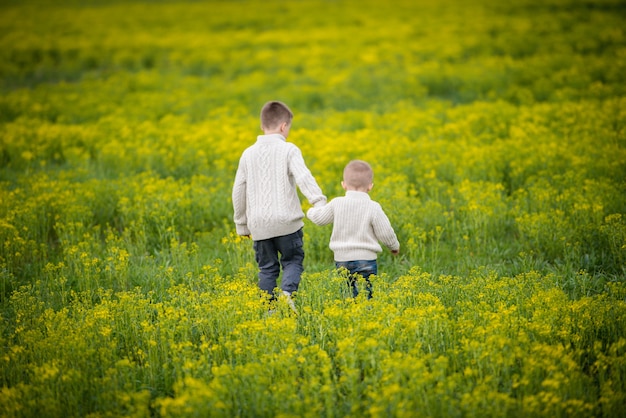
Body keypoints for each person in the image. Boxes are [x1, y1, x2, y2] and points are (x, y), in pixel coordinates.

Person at [232, 101, 326, 311]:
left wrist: (242, 224)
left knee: (267, 268)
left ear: (262, 126)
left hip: (259, 225)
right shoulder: (288, 149)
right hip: (287, 223)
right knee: (293, 260)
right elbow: (304, 177)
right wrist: (318, 201)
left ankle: (270, 310)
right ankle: (287, 293)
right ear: (284, 126)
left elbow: (238, 189)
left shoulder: (248, 153)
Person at [307, 160, 399, 299]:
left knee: (348, 294)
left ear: (343, 185)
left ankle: (350, 315)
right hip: (366, 260)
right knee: (367, 295)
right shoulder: (373, 206)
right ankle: (366, 316)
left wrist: (310, 211)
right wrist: (394, 246)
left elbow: (320, 219)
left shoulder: (337, 203)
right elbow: (385, 232)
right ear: (370, 186)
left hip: (343, 260)